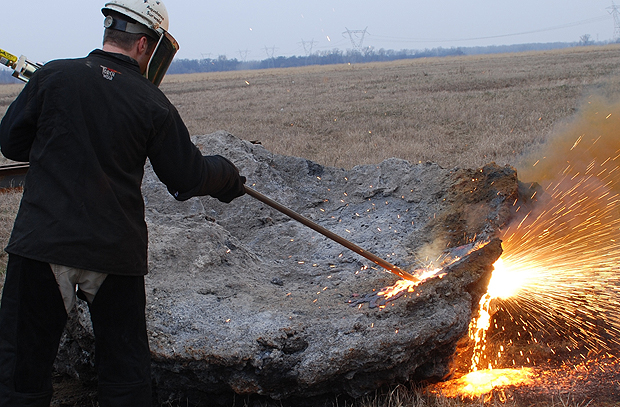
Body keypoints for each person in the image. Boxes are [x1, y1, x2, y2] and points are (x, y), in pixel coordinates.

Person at [0, 0, 246, 405]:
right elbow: (186, 177)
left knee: (20, 377)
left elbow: (11, 142)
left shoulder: (54, 76)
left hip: (42, 242)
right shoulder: (151, 102)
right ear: (147, 46)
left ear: (109, 31)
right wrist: (227, 176)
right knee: (125, 378)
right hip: (114, 250)